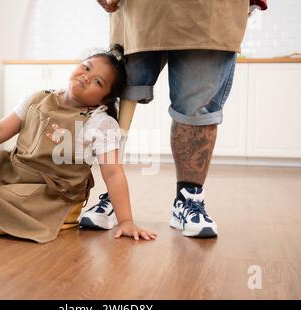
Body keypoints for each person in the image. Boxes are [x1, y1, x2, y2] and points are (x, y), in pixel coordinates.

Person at [0, 44, 157, 243]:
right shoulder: (37, 98)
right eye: (86, 67)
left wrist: (126, 220)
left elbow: (113, 173)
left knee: (4, 207)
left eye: (98, 82)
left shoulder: (100, 124)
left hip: (49, 193)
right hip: (15, 171)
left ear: (104, 99)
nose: (87, 77)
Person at [79, 0, 253, 238]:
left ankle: (188, 198)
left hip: (211, 9)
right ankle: (113, 197)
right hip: (138, 9)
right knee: (120, 92)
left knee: (197, 108)